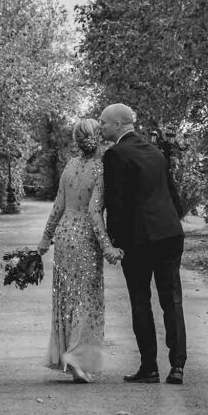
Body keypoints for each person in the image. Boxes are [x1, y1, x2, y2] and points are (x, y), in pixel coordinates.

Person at [98, 103, 187, 385]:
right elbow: (174, 196)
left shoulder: (115, 155)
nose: (100, 127)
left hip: (138, 240)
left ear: (118, 124)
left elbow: (117, 204)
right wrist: (171, 222)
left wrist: (114, 242)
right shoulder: (156, 152)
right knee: (172, 300)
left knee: (141, 301)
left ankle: (149, 367)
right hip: (169, 234)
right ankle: (177, 366)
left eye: (103, 122)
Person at [37, 119, 123, 383]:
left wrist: (45, 238)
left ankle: (69, 355)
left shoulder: (70, 165)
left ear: (77, 140)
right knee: (86, 299)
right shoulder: (101, 168)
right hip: (85, 239)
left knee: (67, 299)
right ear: (99, 138)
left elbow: (58, 205)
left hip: (64, 236)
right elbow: (94, 213)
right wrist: (107, 246)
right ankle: (77, 358)